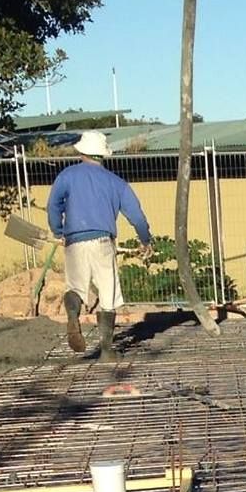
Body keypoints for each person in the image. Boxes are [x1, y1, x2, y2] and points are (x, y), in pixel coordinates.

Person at [47, 130, 153, 362]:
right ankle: (106, 350)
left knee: (75, 288)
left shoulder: (67, 175)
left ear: (81, 151)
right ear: (103, 155)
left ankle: (73, 317)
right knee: (108, 295)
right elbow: (136, 216)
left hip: (74, 240)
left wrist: (58, 230)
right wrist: (145, 240)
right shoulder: (116, 182)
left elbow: (53, 205)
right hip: (103, 241)